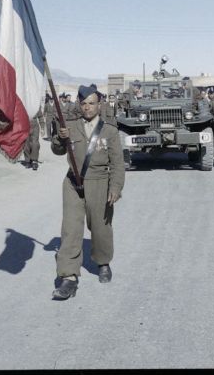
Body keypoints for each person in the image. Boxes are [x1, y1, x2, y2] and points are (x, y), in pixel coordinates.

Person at [51, 84, 125, 300]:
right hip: (73, 183)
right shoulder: (70, 126)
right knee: (71, 228)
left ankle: (103, 262)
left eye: (91, 103)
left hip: (100, 182)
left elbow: (118, 164)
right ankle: (68, 277)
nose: (87, 107)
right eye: (83, 103)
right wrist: (59, 138)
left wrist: (116, 188)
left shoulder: (110, 130)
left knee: (100, 227)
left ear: (99, 105)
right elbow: (57, 151)